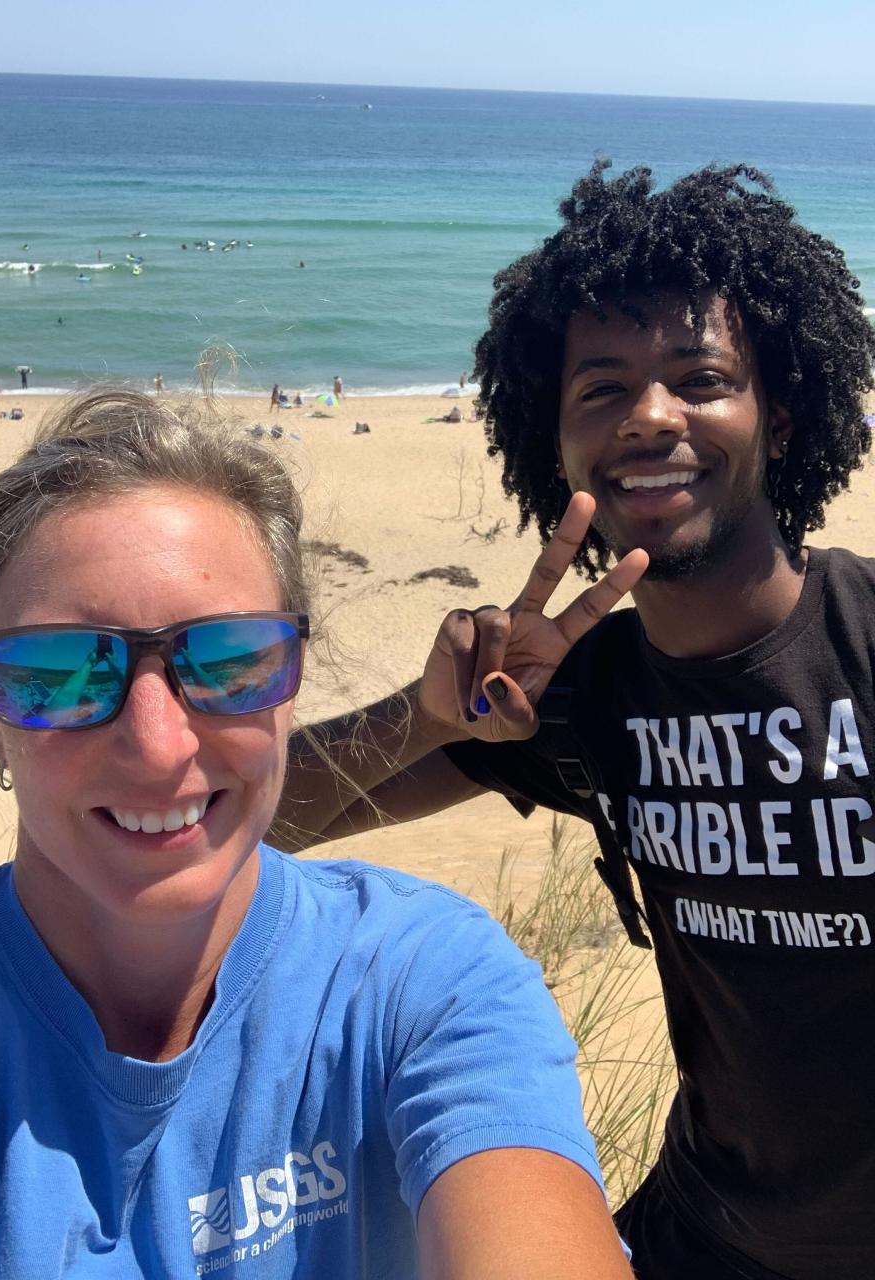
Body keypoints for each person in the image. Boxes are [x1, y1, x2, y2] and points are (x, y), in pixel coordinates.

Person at [274, 162, 875, 1280]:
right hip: (708, 1241)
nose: (651, 417)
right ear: (556, 448)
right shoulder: (583, 696)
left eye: (700, 378)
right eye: (601, 390)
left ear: (780, 418)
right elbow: (254, 820)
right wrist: (422, 718)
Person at [0, 389, 632, 1279]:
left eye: (227, 660)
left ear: (292, 672)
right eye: (61, 670)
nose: (156, 744)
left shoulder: (418, 984)